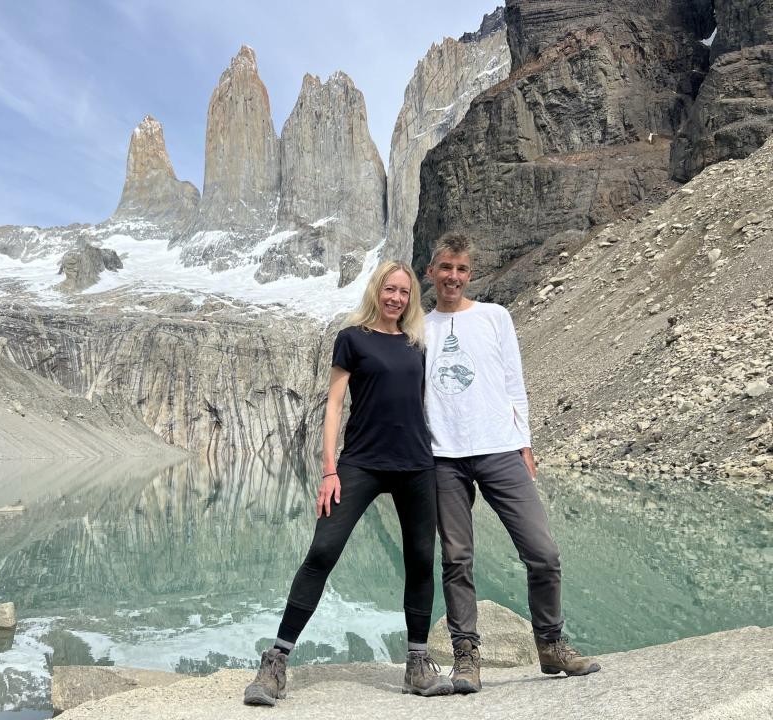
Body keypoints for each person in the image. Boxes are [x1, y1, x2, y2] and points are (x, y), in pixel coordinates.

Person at [243, 261, 454, 706]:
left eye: (403, 292)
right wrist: (328, 469)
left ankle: (416, 664)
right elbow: (335, 406)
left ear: (411, 297)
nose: (396, 298)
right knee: (322, 551)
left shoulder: (418, 343)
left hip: (416, 464)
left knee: (419, 559)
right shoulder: (352, 339)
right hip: (361, 462)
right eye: (389, 289)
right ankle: (276, 663)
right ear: (376, 291)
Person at [424, 231, 600, 694]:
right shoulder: (418, 329)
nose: (453, 276)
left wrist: (525, 442)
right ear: (431, 272)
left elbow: (514, 384)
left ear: (470, 273)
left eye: (461, 269)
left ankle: (550, 643)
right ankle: (466, 655)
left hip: (500, 447)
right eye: (446, 267)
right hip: (444, 457)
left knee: (543, 553)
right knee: (457, 558)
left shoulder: (495, 317)